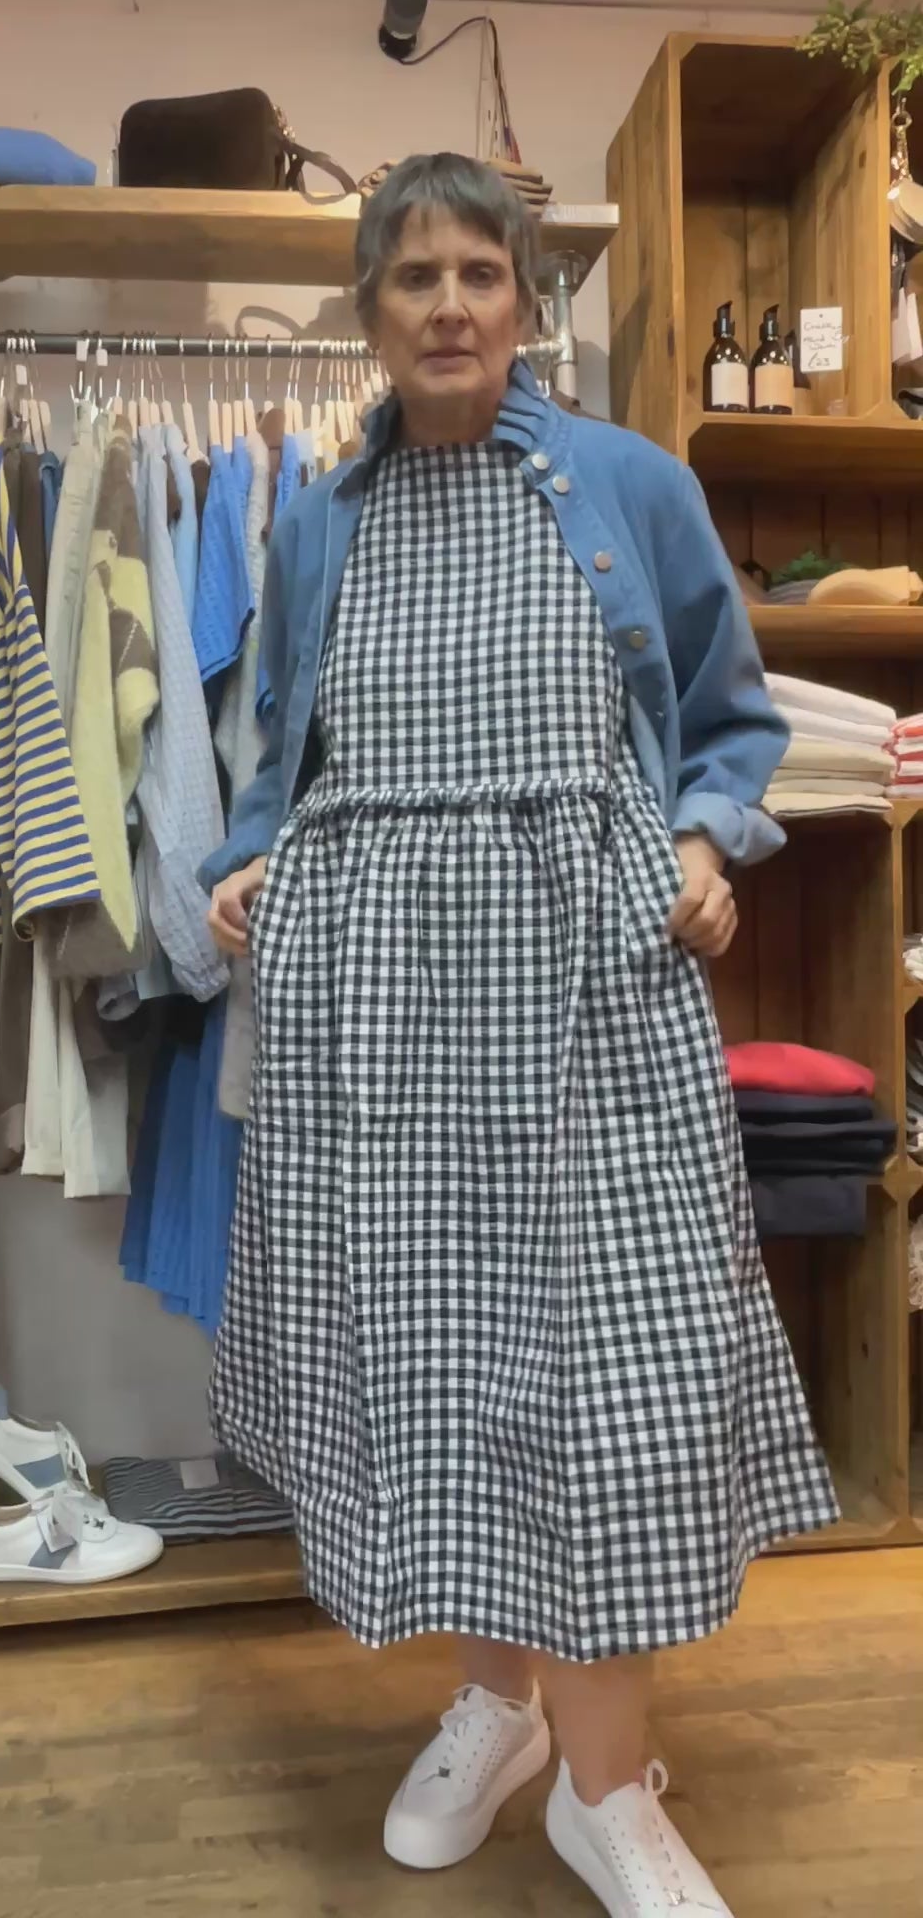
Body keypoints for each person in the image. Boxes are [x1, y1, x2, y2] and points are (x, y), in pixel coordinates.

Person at [203, 153, 837, 1917]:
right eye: (415, 278)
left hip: (588, 995)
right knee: (447, 1364)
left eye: (481, 272)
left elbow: (729, 717)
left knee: (614, 1381)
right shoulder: (316, 520)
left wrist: (704, 842)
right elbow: (285, 750)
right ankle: (501, 1708)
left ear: (527, 298)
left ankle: (607, 1786)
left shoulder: (629, 482)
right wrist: (249, 862)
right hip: (385, 1016)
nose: (451, 306)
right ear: (368, 310)